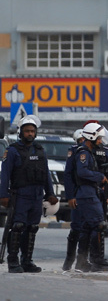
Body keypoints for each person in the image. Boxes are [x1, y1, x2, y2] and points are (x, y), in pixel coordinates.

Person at [0, 116, 58, 273]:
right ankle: (13, 261)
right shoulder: (12, 151)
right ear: (21, 132)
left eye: (32, 131)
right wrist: (3, 195)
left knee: (32, 228)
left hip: (37, 195)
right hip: (20, 195)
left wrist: (50, 193)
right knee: (18, 227)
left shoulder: (40, 151)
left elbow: (46, 174)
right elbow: (5, 175)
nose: (30, 134)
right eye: (27, 131)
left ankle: (27, 261)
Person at [74, 122, 108, 272]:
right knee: (98, 224)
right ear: (91, 137)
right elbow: (82, 172)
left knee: (88, 227)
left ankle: (81, 262)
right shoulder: (83, 153)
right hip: (86, 193)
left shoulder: (90, 152)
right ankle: (97, 261)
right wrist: (100, 177)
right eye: (98, 139)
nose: (100, 142)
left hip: (92, 192)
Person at [62, 128, 85, 271]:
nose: (82, 143)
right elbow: (68, 175)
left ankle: (83, 261)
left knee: (91, 229)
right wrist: (70, 196)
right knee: (76, 228)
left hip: (92, 195)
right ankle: (69, 260)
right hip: (77, 194)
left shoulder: (96, 151)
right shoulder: (74, 152)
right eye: (80, 141)